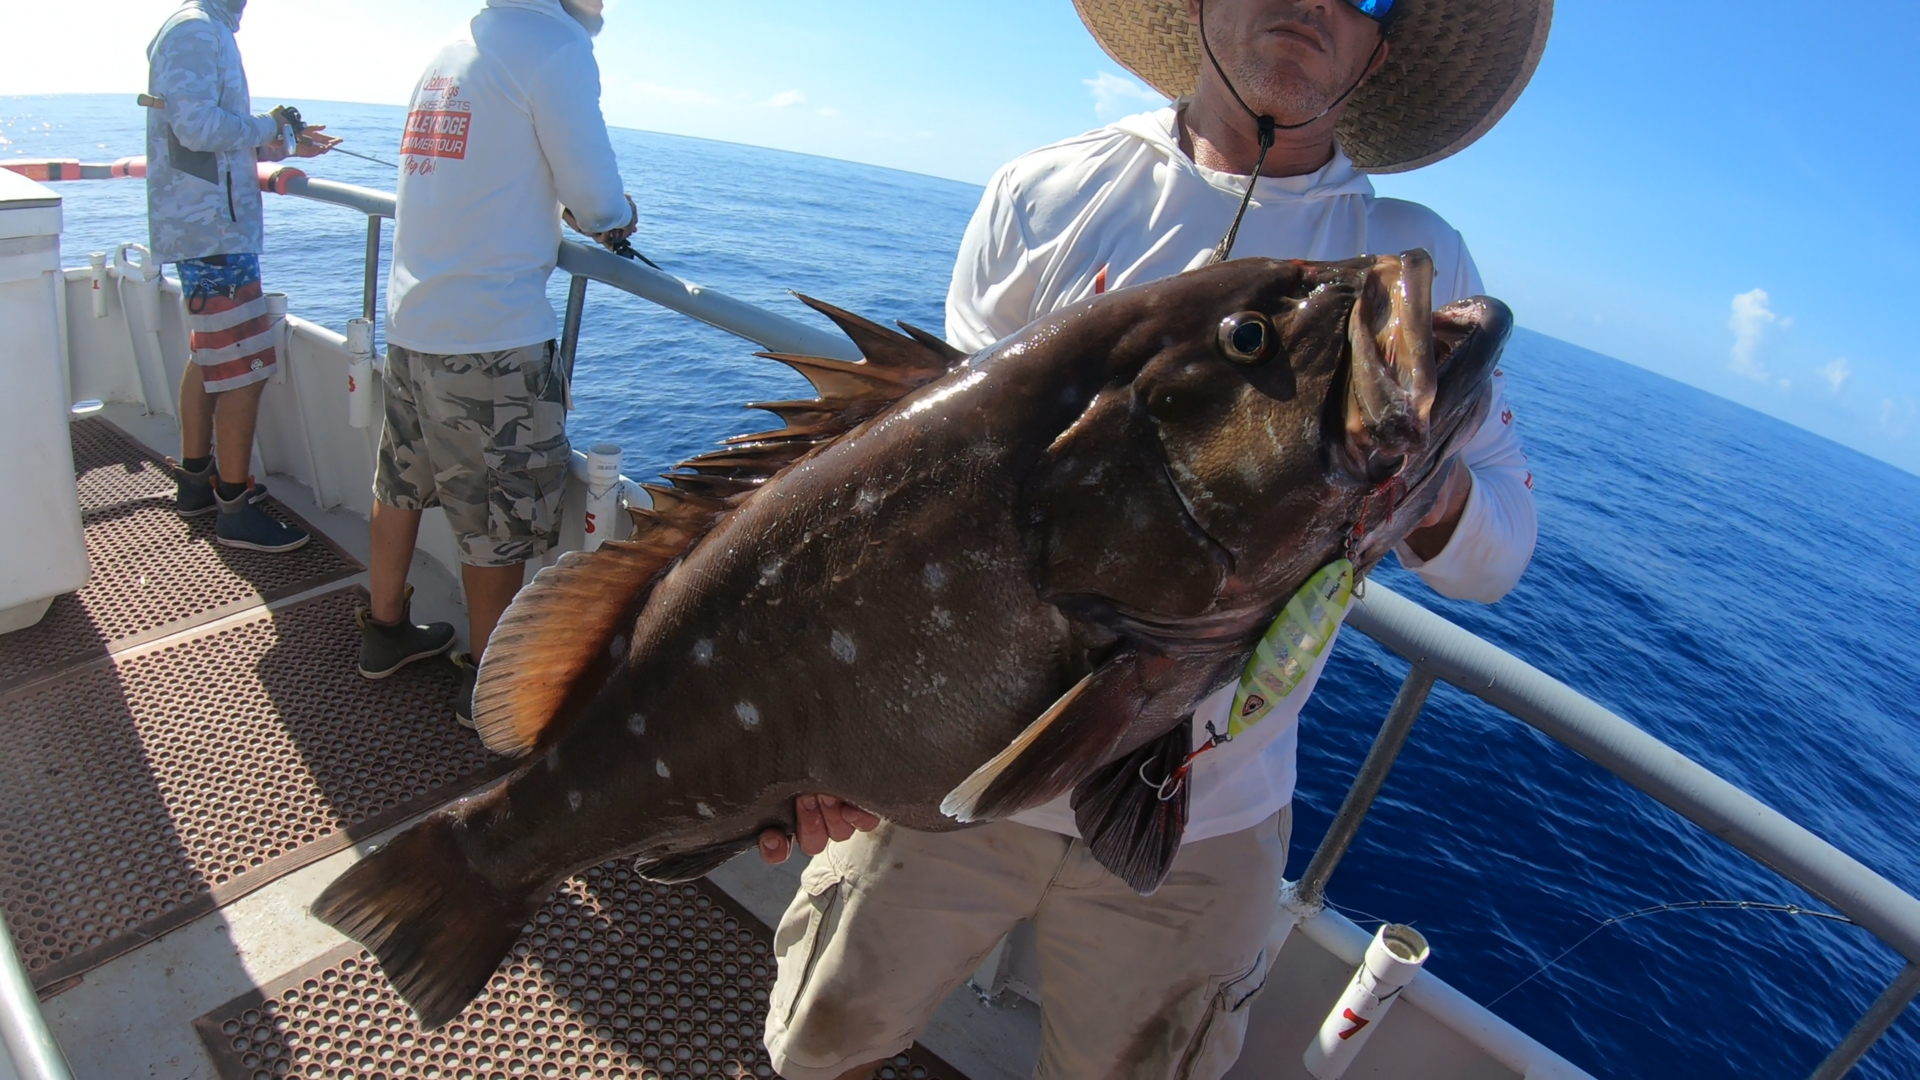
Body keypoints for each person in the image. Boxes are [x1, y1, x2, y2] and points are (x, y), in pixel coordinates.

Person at [757, 1, 1548, 1077]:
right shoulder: (1047, 193)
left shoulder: (1419, 264)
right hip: (952, 759)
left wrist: (1420, 470)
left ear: (1382, 49)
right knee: (822, 1044)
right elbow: (924, 509)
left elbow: (1501, 549)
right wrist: (836, 741)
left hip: (1208, 820)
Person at [358, 0, 641, 721]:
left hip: (415, 322)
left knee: (400, 485)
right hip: (489, 340)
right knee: (498, 525)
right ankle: (488, 696)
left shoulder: (453, 46)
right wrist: (612, 216)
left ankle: (383, 630)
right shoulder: (554, 45)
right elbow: (599, 201)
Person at [146, 0, 338, 551]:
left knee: (209, 357)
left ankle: (193, 482)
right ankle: (233, 508)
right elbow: (197, 125)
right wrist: (271, 124)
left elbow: (210, 135)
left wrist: (286, 142)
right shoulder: (194, 29)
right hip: (212, 233)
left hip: (209, 229)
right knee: (245, 370)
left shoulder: (204, 29)